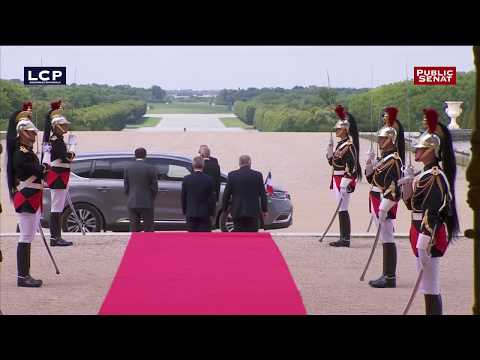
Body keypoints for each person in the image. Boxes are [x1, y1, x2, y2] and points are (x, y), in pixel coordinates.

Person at [400, 108, 459, 315]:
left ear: (431, 151)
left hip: (428, 235)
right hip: (420, 231)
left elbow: (431, 212)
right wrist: (407, 187)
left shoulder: (433, 175)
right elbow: (413, 206)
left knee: (431, 287)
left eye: (420, 149)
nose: (415, 152)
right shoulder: (424, 174)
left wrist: (425, 239)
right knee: (426, 287)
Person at [6, 102, 49, 287]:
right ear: (22, 133)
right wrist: (45, 162)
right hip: (26, 199)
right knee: (25, 237)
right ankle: (23, 277)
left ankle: (25, 275)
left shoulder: (25, 151)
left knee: (28, 236)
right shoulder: (21, 153)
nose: (34, 135)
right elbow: (40, 171)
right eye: (31, 132)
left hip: (30, 198)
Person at [365, 107, 405, 288]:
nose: (379, 141)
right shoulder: (385, 158)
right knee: (384, 238)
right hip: (376, 198)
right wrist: (369, 165)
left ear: (390, 140)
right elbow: (371, 180)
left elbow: (394, 189)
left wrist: (384, 207)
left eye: (382, 139)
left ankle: (390, 276)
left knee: (388, 238)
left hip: (383, 201)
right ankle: (386, 274)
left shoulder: (394, 160)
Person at [326, 105, 361, 247]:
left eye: (338, 129)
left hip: (343, 180)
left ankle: (345, 238)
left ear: (345, 130)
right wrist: (329, 151)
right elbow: (333, 163)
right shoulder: (341, 144)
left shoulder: (349, 145)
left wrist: (346, 181)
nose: (336, 131)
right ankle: (343, 237)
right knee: (341, 208)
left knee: (343, 208)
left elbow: (352, 165)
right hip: (336, 178)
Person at [42, 100, 75, 246]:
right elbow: (66, 158)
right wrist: (73, 147)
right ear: (57, 127)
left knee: (58, 207)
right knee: (56, 208)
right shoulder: (56, 141)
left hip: (60, 176)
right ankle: (55, 238)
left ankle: (56, 237)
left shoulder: (57, 139)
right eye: (64, 125)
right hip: (58, 176)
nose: (66, 127)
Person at [221, 155, 268, 232]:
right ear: (250, 163)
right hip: (253, 212)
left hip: (237, 211)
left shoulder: (232, 175)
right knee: (252, 237)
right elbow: (263, 195)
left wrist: (224, 209)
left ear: (239, 163)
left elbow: (226, 194)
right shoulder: (257, 175)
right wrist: (264, 210)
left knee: (239, 237)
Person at [123, 147, 158, 232]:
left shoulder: (128, 168)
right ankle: (148, 244)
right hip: (147, 201)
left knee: (134, 228)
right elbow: (154, 187)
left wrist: (130, 196)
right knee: (148, 228)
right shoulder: (151, 168)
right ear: (145, 155)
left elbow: (126, 187)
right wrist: (151, 198)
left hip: (132, 201)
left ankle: (135, 244)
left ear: (135, 156)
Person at [181, 156, 216, 232]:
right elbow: (212, 198)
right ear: (203, 165)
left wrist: (185, 210)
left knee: (192, 238)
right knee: (204, 238)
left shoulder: (187, 179)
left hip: (191, 212)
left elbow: (183, 197)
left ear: (193, 165)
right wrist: (212, 213)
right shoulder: (209, 179)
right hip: (205, 213)